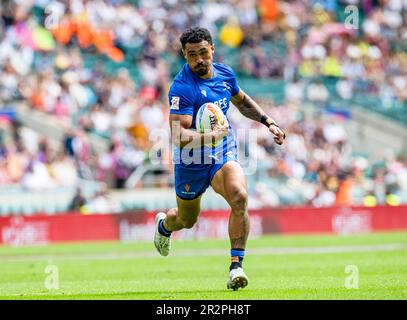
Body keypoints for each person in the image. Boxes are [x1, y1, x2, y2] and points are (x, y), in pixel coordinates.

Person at [154, 27, 286, 291]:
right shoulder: (182, 87)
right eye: (192, 55)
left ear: (212, 49)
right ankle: (165, 226)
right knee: (187, 221)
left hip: (222, 152)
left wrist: (267, 121)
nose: (199, 60)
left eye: (203, 52)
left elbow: (242, 100)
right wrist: (211, 136)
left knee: (239, 196)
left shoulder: (225, 74)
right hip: (191, 160)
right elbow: (178, 136)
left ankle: (236, 266)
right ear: (185, 55)